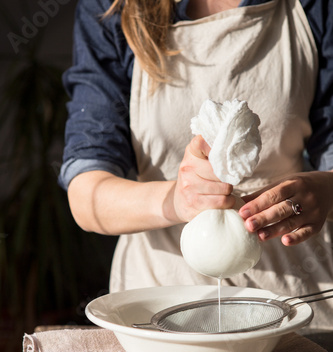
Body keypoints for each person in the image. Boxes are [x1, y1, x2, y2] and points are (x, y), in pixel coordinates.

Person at [59, 0, 333, 331]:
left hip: (295, 305)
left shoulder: (314, 6)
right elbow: (86, 195)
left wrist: (327, 188)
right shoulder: (112, 8)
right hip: (159, 304)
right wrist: (176, 199)